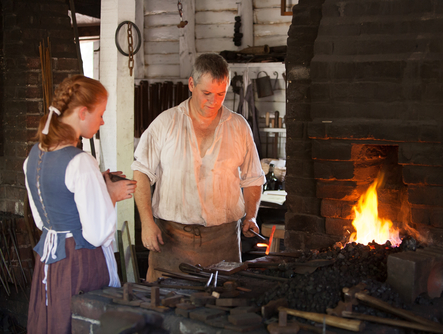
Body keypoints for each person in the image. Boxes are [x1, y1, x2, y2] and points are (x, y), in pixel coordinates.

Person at [132, 53, 265, 282]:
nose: (213, 101)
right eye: (207, 94)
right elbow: (141, 173)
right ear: (191, 85)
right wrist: (146, 222)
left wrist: (251, 216)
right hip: (171, 241)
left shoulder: (239, 127)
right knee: (165, 308)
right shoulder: (166, 123)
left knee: (221, 309)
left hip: (223, 242)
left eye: (221, 94)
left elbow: (253, 178)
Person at [23, 75, 137, 334]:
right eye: (101, 114)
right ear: (83, 112)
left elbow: (43, 221)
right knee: (81, 324)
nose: (102, 121)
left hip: (50, 263)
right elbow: (97, 234)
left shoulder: (33, 155)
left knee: (54, 322)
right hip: (80, 263)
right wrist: (111, 194)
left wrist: (99, 185)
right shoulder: (80, 162)